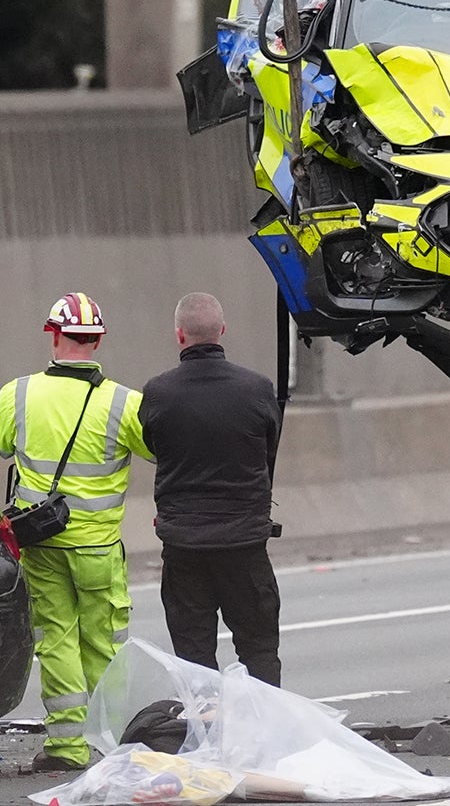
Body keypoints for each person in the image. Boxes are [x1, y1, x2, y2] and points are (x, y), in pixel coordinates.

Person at [0, 293, 156, 773]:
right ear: (97, 339)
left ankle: (66, 749)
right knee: (104, 645)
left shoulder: (19, 393)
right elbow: (161, 450)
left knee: (56, 639)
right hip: (98, 548)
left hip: (42, 544)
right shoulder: (123, 401)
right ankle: (116, 746)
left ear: (52, 335)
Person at [139, 292, 283, 685]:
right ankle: (266, 734)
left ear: (179, 335)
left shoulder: (158, 392)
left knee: (194, 655)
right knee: (259, 648)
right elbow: (269, 447)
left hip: (184, 546)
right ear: (222, 331)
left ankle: (206, 736)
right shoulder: (257, 388)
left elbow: (154, 447)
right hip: (244, 544)